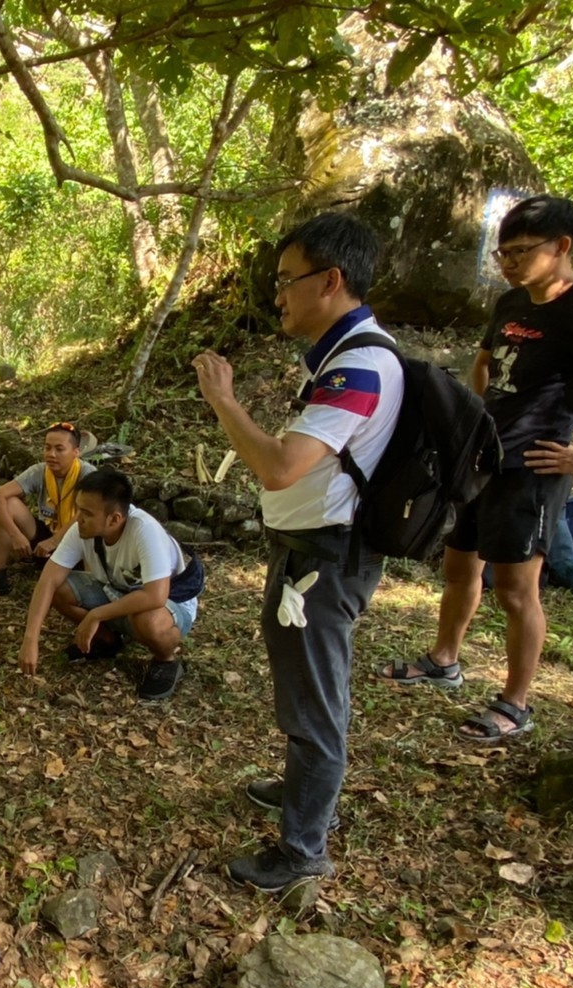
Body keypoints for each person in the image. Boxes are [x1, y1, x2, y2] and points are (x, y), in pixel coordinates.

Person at [379, 195, 573, 740]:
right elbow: (485, 361)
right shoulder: (512, 304)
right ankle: (444, 660)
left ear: (562, 246)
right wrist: (472, 420)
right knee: (459, 567)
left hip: (534, 470)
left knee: (517, 590)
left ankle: (516, 703)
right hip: (483, 460)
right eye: (503, 253)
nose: (510, 263)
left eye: (522, 251)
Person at [192, 212, 404, 892]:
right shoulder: (340, 360)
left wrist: (224, 401)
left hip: (326, 558)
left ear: (331, 280)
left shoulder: (363, 367)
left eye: (287, 280)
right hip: (307, 551)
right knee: (303, 689)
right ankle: (299, 793)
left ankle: (303, 847)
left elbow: (281, 467)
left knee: (315, 702)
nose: (276, 295)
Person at [18, 469, 200, 701]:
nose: (78, 518)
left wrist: (96, 615)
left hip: (169, 602)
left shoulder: (145, 530)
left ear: (114, 518)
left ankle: (166, 660)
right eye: (78, 509)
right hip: (115, 589)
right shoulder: (82, 529)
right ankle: (108, 642)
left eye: (86, 512)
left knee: (148, 620)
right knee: (59, 588)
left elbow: (156, 596)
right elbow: (48, 579)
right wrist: (31, 638)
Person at [0, 421, 96, 603]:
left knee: (90, 522)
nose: (51, 454)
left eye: (59, 449)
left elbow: (86, 514)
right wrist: (15, 535)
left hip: (77, 545)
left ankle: (89, 590)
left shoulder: (88, 474)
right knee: (7, 504)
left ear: (76, 452)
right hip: (45, 542)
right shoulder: (40, 471)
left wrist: (55, 541)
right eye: (47, 448)